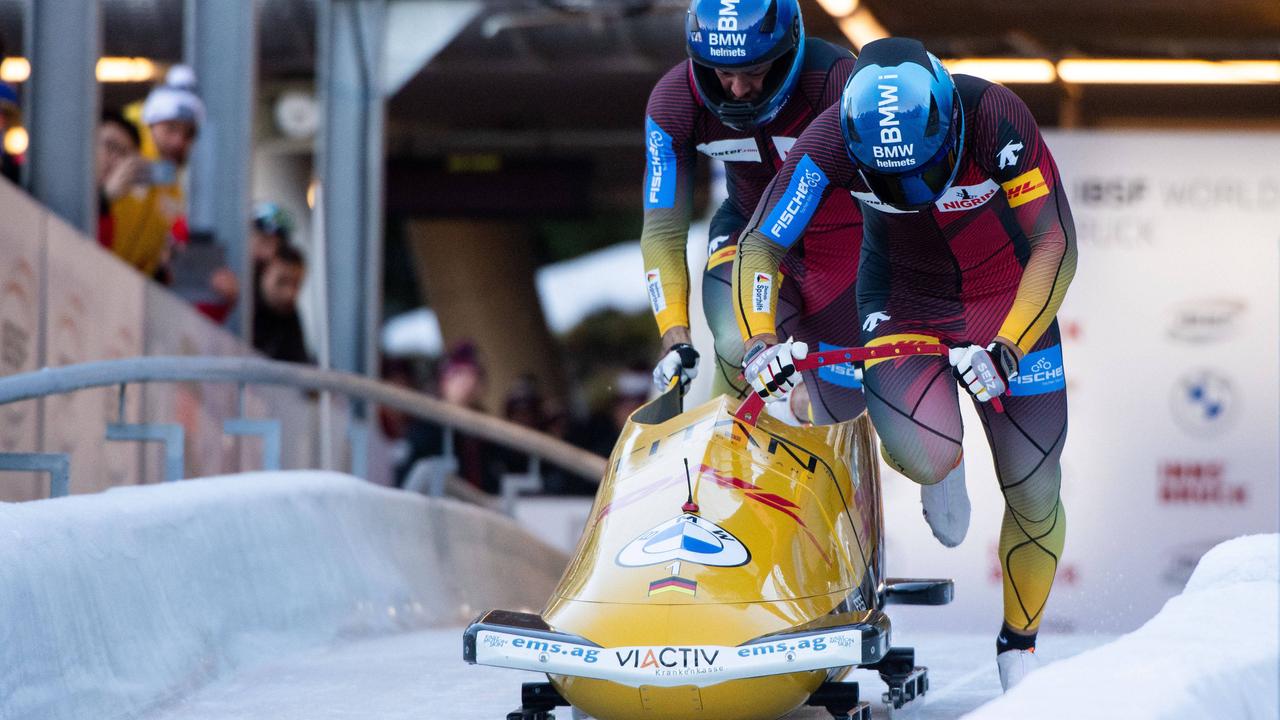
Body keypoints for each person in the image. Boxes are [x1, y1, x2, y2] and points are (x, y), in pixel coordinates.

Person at [733, 37, 1077, 692]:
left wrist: (1008, 344)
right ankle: (939, 468)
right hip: (904, 302)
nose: (911, 192)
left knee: (1035, 490)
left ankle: (1019, 648)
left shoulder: (993, 117)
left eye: (923, 169)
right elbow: (760, 245)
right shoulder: (831, 139)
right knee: (925, 451)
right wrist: (757, 340)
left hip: (1004, 301)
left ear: (947, 123)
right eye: (893, 179)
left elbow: (1054, 241)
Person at [642, 0, 866, 426]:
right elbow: (663, 232)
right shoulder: (674, 103)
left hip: (841, 245)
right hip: (745, 230)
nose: (739, 90)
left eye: (755, 72)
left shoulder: (835, 82)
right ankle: (726, 447)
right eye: (723, 73)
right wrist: (675, 337)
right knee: (733, 341)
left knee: (847, 400)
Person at [252, 244, 309, 363]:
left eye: (296, 284)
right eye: (282, 282)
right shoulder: (242, 309)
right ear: (264, 272)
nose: (290, 293)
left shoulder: (289, 314)